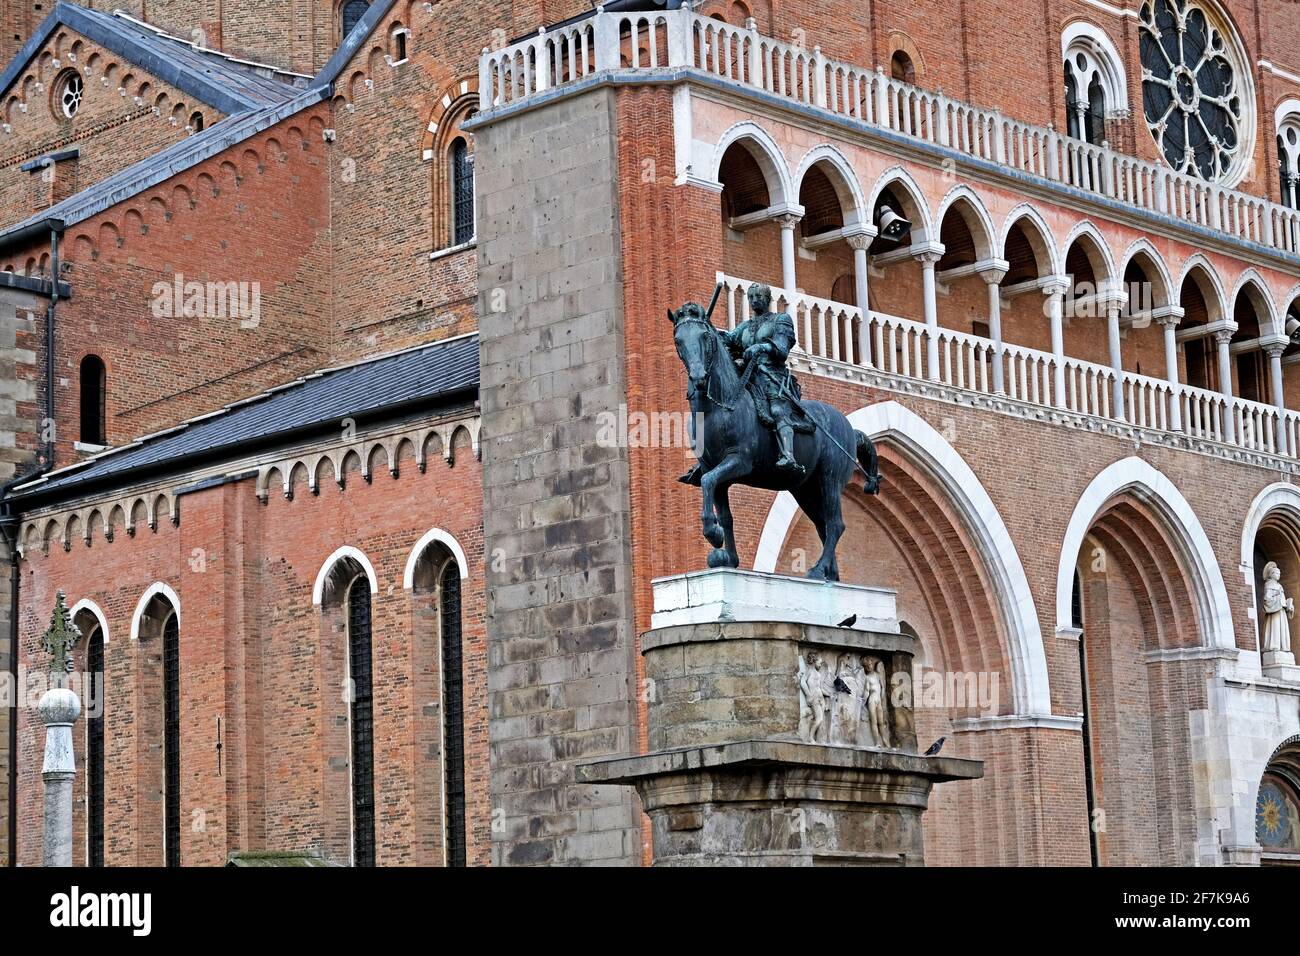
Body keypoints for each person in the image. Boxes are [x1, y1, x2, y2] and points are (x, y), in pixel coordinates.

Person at [1261, 560, 1294, 655]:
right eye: (1276, 573)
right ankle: (1274, 646)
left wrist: (1288, 605)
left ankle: (1283, 647)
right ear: (1271, 574)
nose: (1278, 575)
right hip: (1274, 611)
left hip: (1281, 612)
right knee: (1275, 628)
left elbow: (1282, 599)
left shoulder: (1279, 586)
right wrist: (1278, 598)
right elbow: (1267, 600)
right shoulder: (1269, 585)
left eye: (1279, 573)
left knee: (1282, 629)